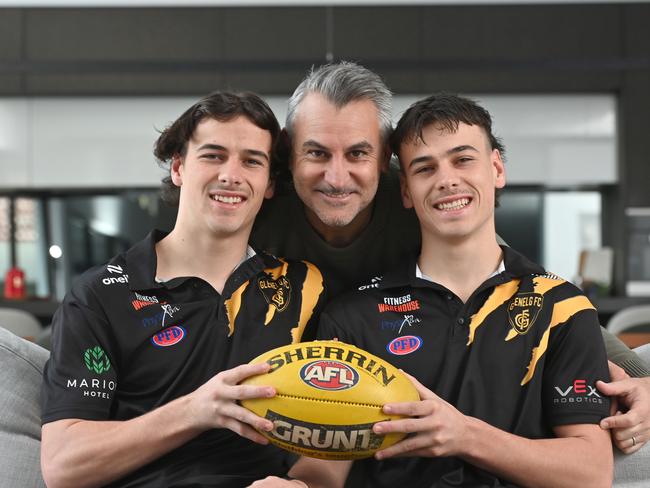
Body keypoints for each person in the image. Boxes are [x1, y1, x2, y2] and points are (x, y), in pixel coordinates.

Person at [251, 61, 650, 453]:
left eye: (358, 154)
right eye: (317, 153)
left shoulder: (422, 199)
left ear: (385, 157)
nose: (337, 177)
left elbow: (530, 293)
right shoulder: (255, 207)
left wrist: (643, 379)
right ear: (288, 150)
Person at [40, 92, 326, 488]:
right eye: (213, 155)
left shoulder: (303, 286)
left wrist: (302, 484)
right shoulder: (100, 295)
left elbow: (337, 424)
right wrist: (196, 409)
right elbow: (63, 466)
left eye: (251, 161)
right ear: (178, 167)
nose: (231, 174)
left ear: (269, 183)